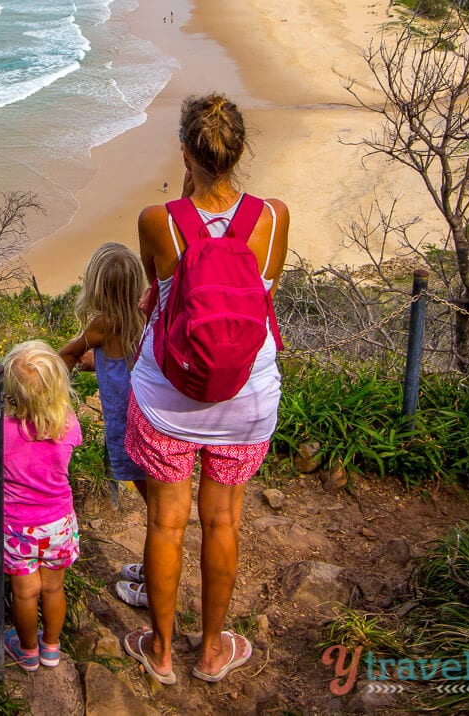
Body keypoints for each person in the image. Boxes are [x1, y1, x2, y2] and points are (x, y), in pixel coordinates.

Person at [123, 93, 289, 685]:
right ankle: (213, 648)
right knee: (223, 524)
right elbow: (265, 293)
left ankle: (163, 652)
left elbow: (158, 292)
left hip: (170, 395)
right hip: (246, 395)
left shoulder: (156, 220)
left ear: (184, 154)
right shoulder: (273, 217)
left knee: (166, 525)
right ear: (239, 152)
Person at [2, 340, 82, 671]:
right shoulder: (67, 423)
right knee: (53, 588)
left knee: (25, 594)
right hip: (59, 523)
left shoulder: (3, 431)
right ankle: (51, 647)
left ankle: (27, 651)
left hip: (18, 526)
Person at [59, 243, 148, 501]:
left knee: (154, 503)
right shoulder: (148, 315)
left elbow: (67, 354)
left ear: (97, 287)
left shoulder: (105, 324)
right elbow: (130, 362)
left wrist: (56, 402)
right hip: (154, 415)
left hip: (126, 421)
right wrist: (101, 362)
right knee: (161, 496)